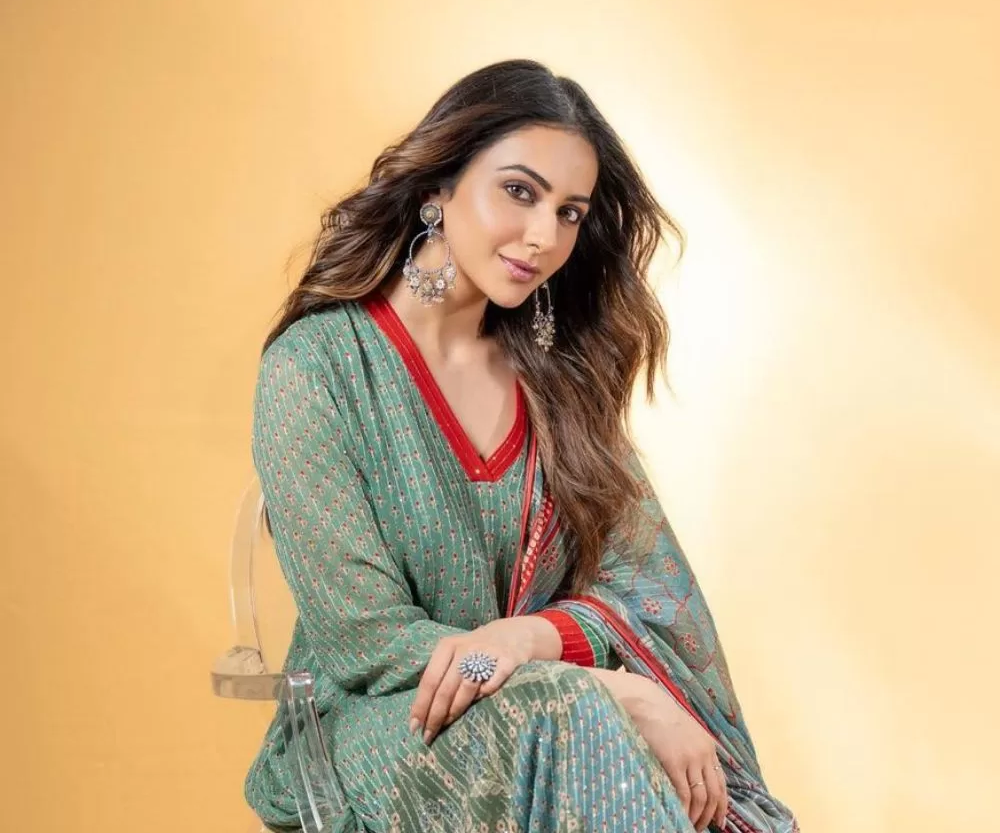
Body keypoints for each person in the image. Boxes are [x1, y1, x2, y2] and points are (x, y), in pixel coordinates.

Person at [244, 59, 798, 833]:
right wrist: (618, 690)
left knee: (594, 735)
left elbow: (645, 594)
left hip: (553, 724)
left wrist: (526, 637)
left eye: (569, 212)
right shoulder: (315, 369)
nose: (543, 236)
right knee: (570, 716)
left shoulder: (557, 380)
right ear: (438, 188)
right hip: (371, 734)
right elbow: (365, 641)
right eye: (519, 191)